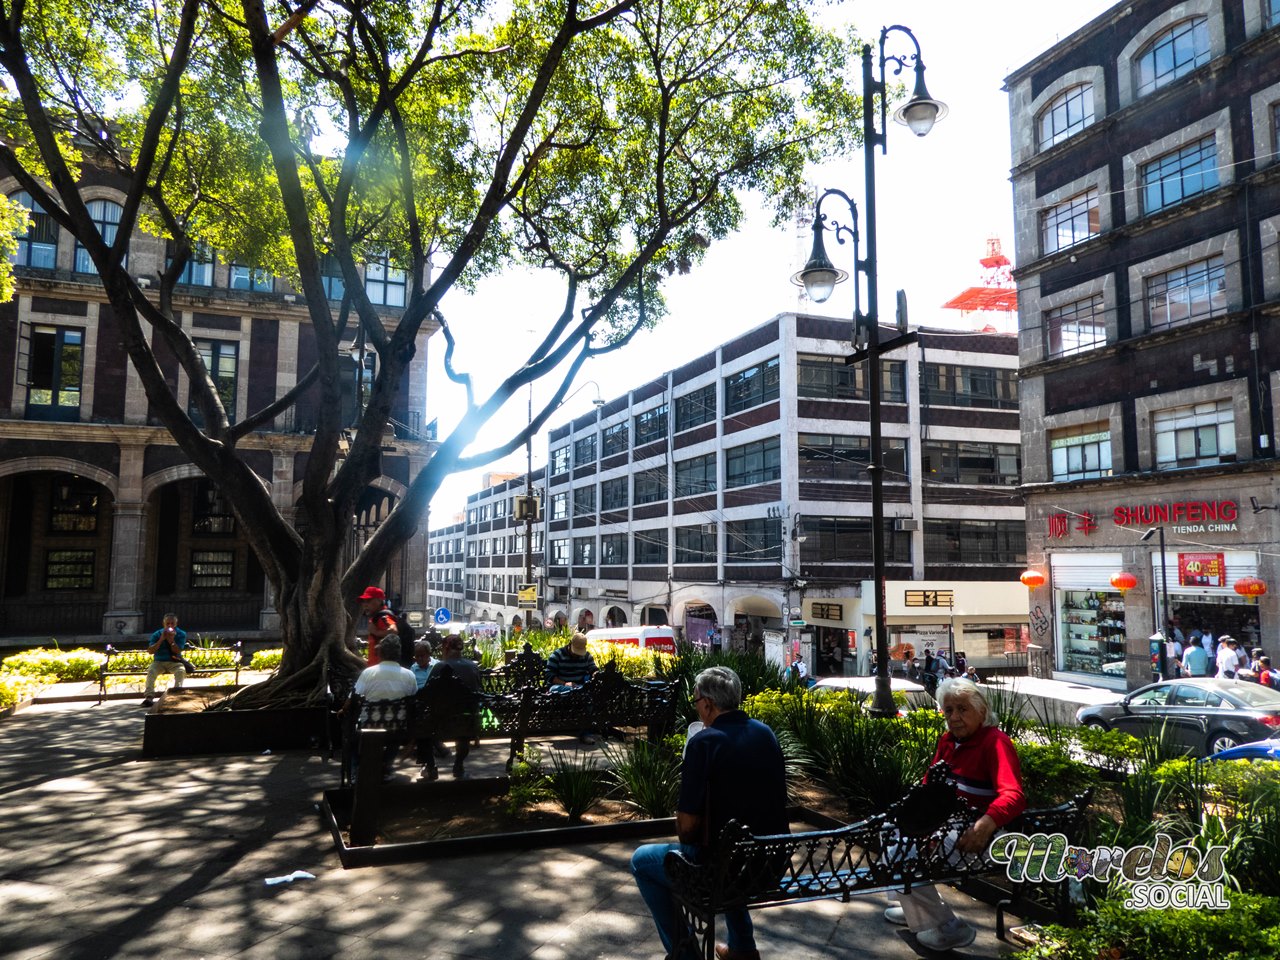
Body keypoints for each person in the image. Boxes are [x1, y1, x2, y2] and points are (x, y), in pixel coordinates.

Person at [631, 666, 788, 960]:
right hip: (771, 863)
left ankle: (685, 953)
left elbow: (686, 828)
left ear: (707, 703)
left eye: (696, 702)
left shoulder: (703, 742)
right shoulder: (765, 733)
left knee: (642, 861)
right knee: (729, 847)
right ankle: (742, 947)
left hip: (721, 871)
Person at [884, 678, 1026, 952]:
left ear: (981, 711)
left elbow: (1014, 795)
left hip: (983, 834)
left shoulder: (995, 742)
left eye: (962, 709)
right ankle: (915, 907)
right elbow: (930, 788)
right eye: (949, 710)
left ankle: (945, 926)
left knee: (906, 853)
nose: (955, 717)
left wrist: (986, 823)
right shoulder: (948, 742)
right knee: (892, 830)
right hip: (948, 826)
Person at [350, 635, 418, 779]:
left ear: (380, 652)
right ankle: (386, 765)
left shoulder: (368, 673)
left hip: (369, 728)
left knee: (349, 733)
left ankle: (356, 769)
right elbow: (413, 702)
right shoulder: (409, 676)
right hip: (397, 729)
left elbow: (354, 698)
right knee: (394, 732)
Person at [141, 613, 187, 707]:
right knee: (151, 671)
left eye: (172, 623)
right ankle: (149, 697)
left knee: (180, 671)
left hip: (174, 661)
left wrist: (171, 641)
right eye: (168, 623)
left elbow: (177, 651)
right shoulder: (157, 634)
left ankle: (176, 695)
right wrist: (161, 639)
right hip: (159, 662)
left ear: (176, 624)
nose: (170, 626)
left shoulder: (181, 634)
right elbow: (150, 651)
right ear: (164, 624)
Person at [357, 585, 396, 665]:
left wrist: (375, 632)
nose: (365, 605)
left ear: (379, 601)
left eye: (368, 601)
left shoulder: (383, 617)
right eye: (363, 601)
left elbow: (393, 631)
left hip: (381, 669)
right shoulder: (376, 618)